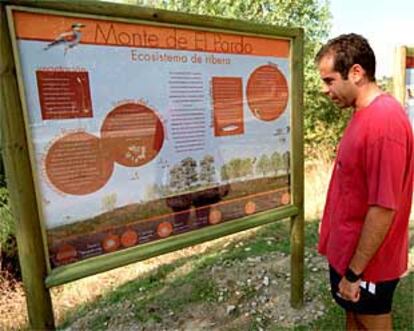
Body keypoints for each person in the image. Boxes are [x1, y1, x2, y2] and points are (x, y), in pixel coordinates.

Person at [315, 33, 413, 330]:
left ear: (356, 73)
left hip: (369, 264)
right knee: (353, 317)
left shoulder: (384, 122)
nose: (325, 90)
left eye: (330, 81)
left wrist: (355, 273)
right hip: (348, 253)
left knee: (371, 322)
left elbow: (383, 208)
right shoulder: (362, 113)